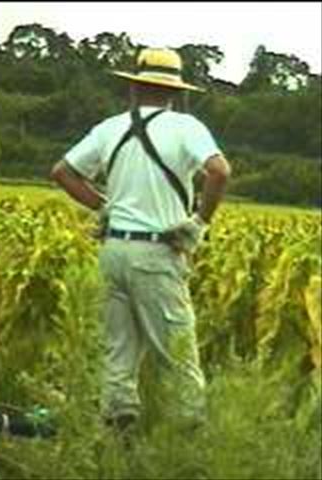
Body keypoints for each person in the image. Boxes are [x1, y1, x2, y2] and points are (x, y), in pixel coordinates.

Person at [50, 48, 231, 435]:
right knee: (177, 351)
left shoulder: (109, 128)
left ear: (133, 87)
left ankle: (118, 433)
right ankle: (187, 439)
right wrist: (199, 222)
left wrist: (105, 208)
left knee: (118, 350)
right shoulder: (186, 127)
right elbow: (219, 171)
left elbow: (63, 172)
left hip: (113, 251)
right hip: (157, 253)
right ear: (176, 92)